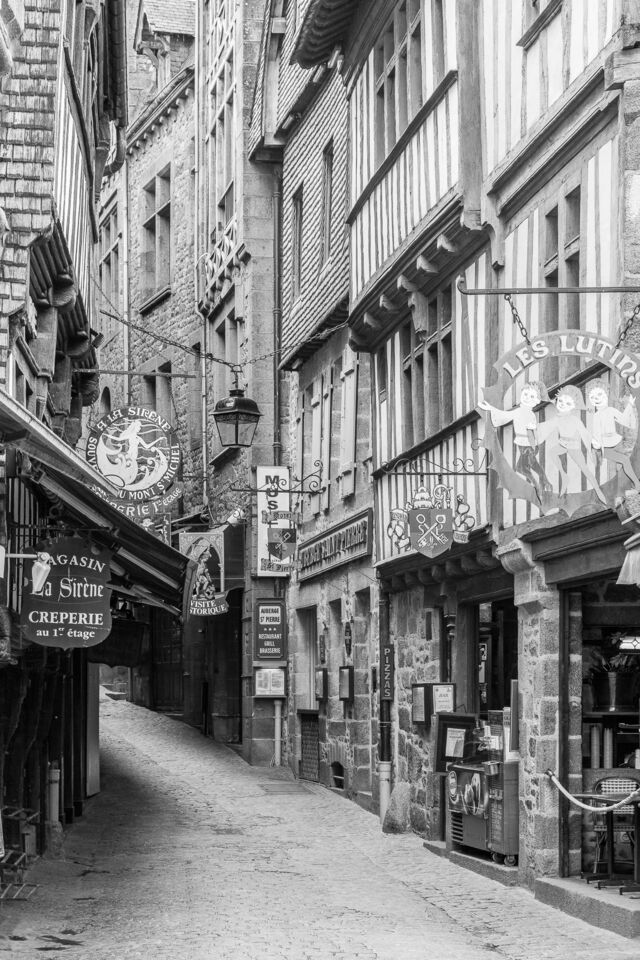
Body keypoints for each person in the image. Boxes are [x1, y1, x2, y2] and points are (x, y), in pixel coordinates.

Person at [479, 381, 551, 496]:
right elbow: (505, 416)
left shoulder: (527, 413)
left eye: (531, 396)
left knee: (521, 467)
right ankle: (543, 481)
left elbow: (530, 429)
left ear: (537, 401)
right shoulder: (521, 411)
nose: (527, 398)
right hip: (523, 444)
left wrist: (533, 441)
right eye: (525, 394)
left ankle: (537, 486)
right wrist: (490, 408)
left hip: (527, 445)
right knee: (530, 465)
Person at [537, 384, 606, 503]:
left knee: (585, 469)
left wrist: (593, 442)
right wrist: (535, 427)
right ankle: (564, 476)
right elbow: (546, 426)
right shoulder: (557, 418)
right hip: (562, 444)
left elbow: (584, 432)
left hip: (574, 447)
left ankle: (598, 491)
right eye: (561, 401)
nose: (563, 404)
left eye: (568, 403)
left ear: (574, 406)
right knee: (552, 452)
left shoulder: (574, 420)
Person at [586, 379, 640, 491]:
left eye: (599, 394)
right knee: (624, 461)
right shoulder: (596, 416)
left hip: (618, 443)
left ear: (606, 394)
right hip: (606, 448)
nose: (596, 399)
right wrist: (596, 445)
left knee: (629, 459)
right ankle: (636, 483)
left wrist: (630, 405)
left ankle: (632, 484)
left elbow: (624, 420)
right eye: (593, 397)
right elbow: (596, 436)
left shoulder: (611, 410)